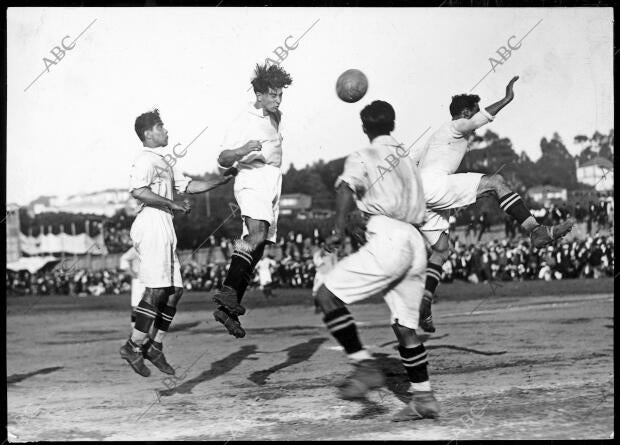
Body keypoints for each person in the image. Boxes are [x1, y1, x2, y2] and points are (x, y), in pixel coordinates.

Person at [412, 76, 573, 333]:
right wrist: (507, 99)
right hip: (435, 186)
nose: (475, 119)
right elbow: (481, 117)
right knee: (496, 182)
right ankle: (536, 230)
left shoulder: (436, 137)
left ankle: (425, 303)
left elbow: (411, 163)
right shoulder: (456, 126)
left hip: (421, 196)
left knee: (442, 251)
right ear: (465, 113)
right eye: (474, 111)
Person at [315, 100, 439, 421]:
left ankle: (363, 365)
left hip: (387, 235)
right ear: (393, 125)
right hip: (415, 240)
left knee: (327, 295)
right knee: (404, 327)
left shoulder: (363, 155)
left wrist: (338, 231)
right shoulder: (408, 160)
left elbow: (345, 189)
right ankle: (423, 398)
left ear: (365, 128)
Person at [119, 109, 232, 377]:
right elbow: (138, 191)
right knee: (157, 290)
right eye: (161, 127)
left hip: (165, 225)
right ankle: (133, 346)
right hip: (152, 223)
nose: (166, 130)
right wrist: (172, 203)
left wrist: (221, 180)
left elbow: (189, 185)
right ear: (148, 134)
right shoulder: (145, 160)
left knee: (174, 291)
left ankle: (154, 346)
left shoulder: (164, 162)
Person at [211, 63, 293, 338]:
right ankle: (228, 291)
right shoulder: (242, 120)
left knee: (258, 246)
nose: (278, 100)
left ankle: (228, 309)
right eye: (272, 95)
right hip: (253, 179)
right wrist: (242, 150)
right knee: (255, 236)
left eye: (280, 95)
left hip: (272, 182)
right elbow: (222, 159)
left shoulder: (275, 116)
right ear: (258, 95)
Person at [119, 246, 145, 330]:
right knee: (136, 307)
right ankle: (134, 328)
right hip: (138, 280)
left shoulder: (155, 245)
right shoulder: (136, 248)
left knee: (153, 305)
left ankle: (149, 329)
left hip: (152, 280)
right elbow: (124, 258)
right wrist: (131, 272)